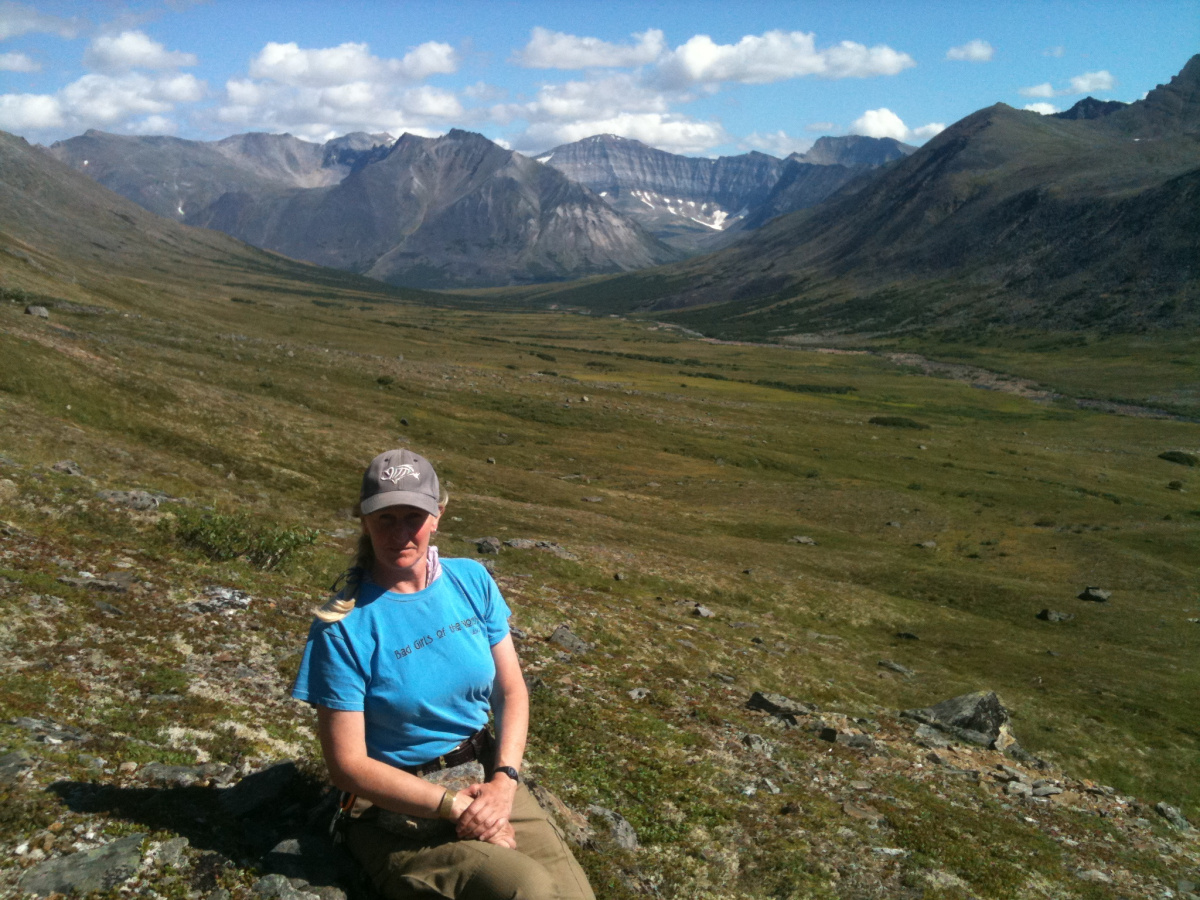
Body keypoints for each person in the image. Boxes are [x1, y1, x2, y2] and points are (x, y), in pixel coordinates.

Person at [292, 449, 595, 900]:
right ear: (364, 521)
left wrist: (503, 782)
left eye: (412, 516)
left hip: (486, 778)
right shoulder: (342, 627)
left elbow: (510, 691)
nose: (399, 533)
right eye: (384, 518)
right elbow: (348, 766)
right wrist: (457, 810)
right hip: (397, 812)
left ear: (438, 514)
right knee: (526, 889)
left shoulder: (471, 580)